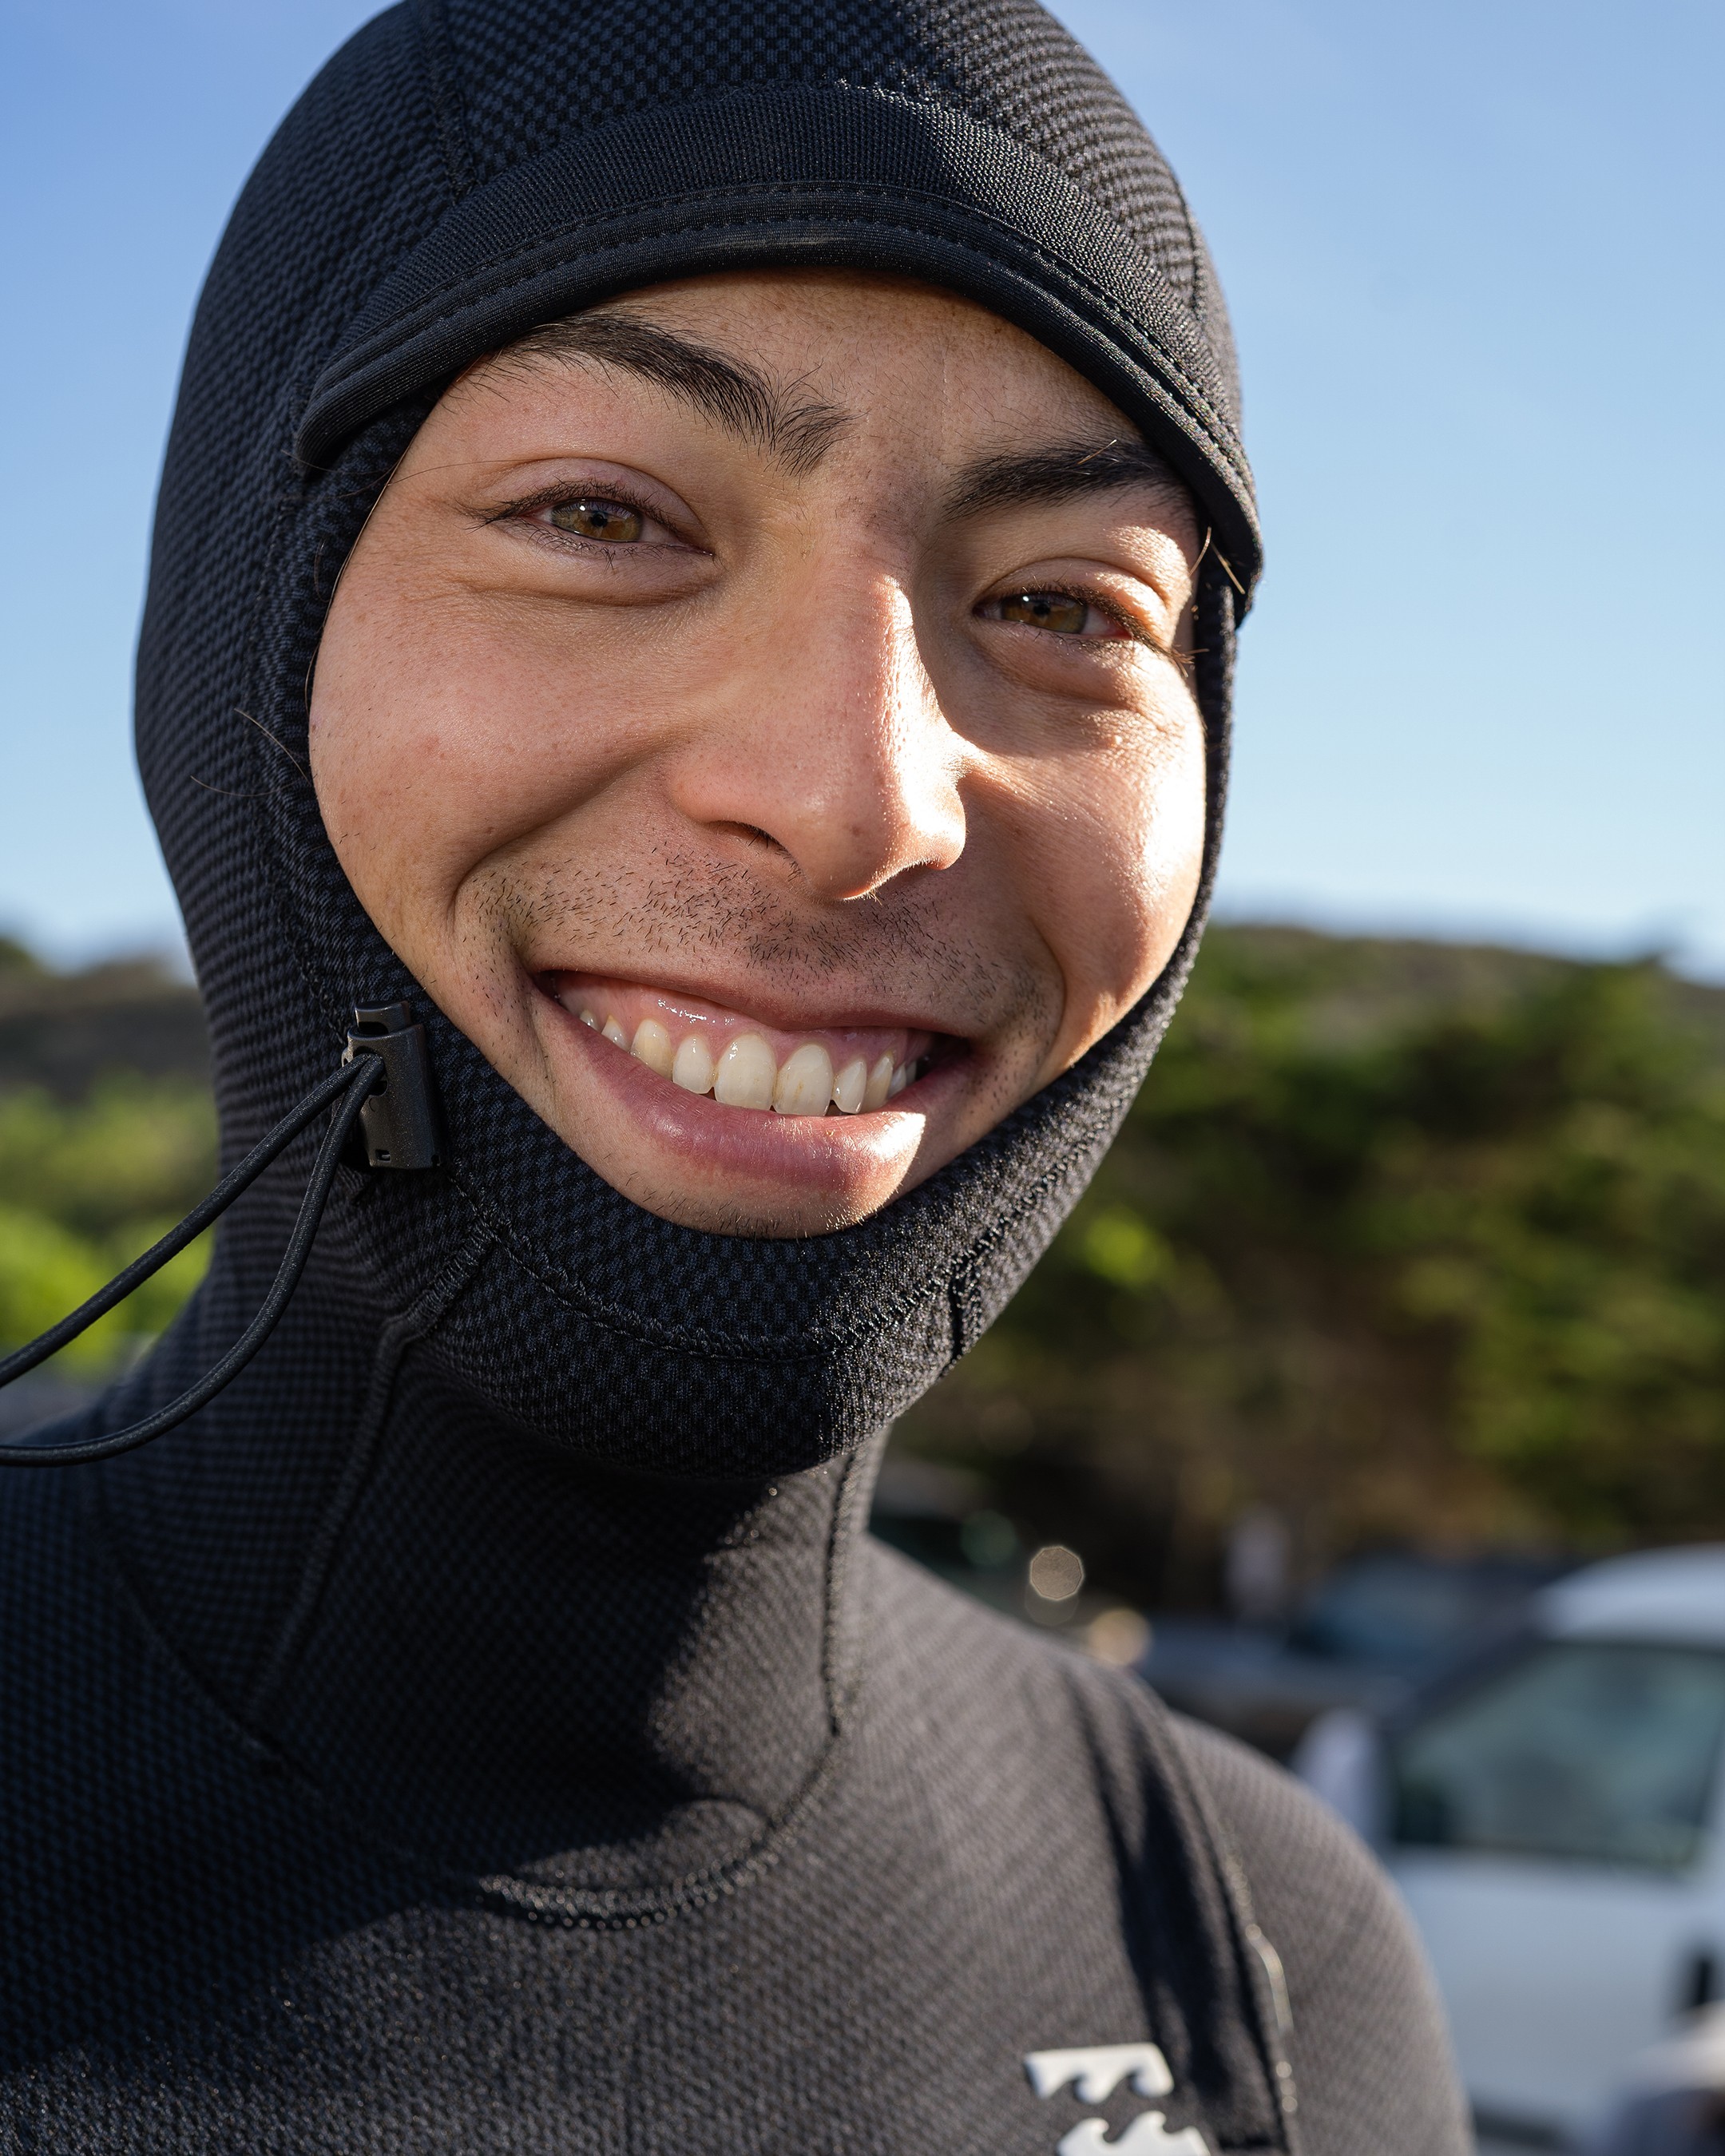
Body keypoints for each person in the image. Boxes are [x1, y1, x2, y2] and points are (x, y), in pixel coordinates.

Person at [0, 2, 1470, 2149]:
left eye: (1066, 599)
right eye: (604, 514)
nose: (860, 798)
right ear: (243, 631)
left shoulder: (1257, 1955)